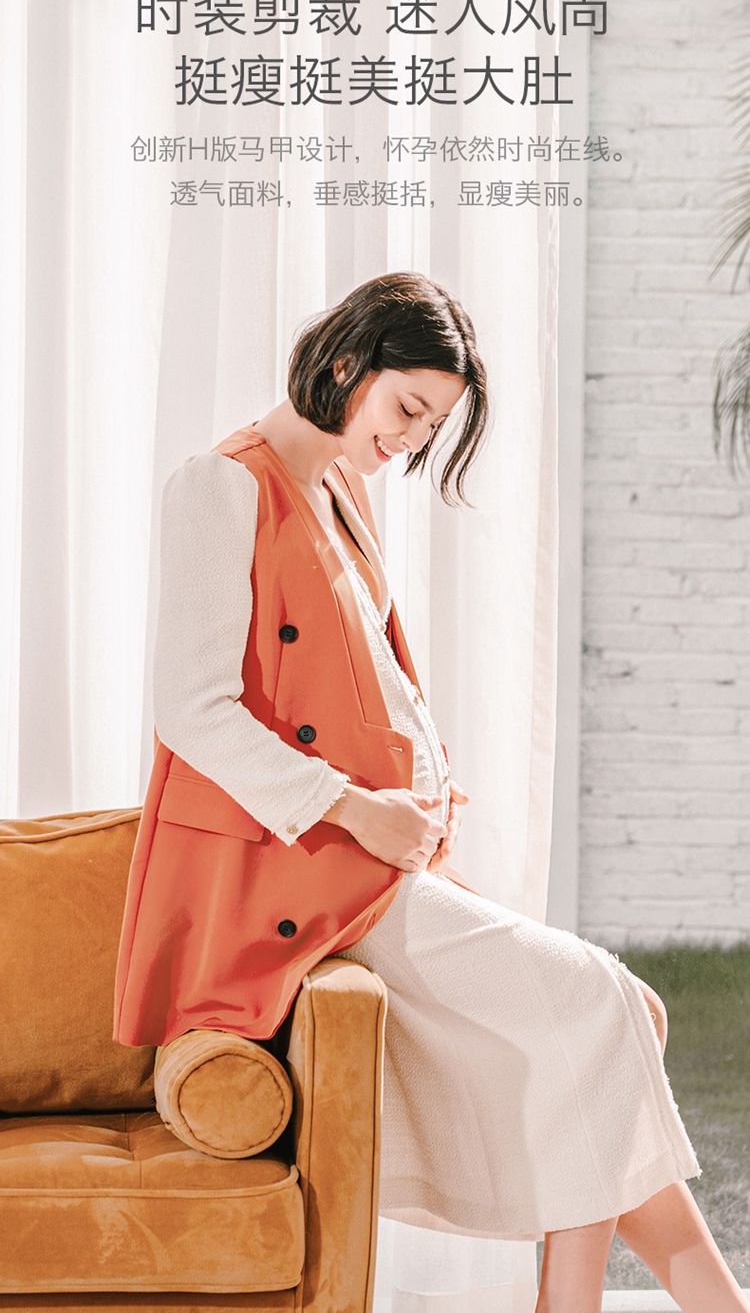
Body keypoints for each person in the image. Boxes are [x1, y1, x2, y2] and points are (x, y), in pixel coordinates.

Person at [113, 273, 749, 1313]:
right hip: (300, 880)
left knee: (623, 1017)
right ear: (345, 362)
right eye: (408, 408)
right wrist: (359, 806)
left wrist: (419, 795)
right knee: (609, 1010)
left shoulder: (337, 491)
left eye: (431, 425)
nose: (411, 439)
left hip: (373, 869)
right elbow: (194, 709)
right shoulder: (220, 485)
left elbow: (375, 684)